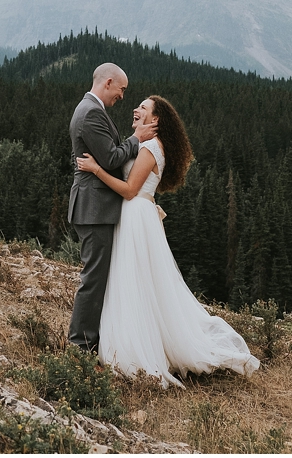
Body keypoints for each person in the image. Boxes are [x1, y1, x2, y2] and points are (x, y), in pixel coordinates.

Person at [76, 95, 259, 388]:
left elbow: (128, 189)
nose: (135, 109)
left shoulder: (150, 147)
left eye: (143, 108)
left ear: (156, 119)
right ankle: (129, 343)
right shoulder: (146, 144)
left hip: (135, 215)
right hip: (137, 215)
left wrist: (96, 170)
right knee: (135, 282)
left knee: (134, 282)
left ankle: (135, 351)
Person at [67, 63, 157, 353]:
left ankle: (92, 339)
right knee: (94, 277)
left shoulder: (90, 109)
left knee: (99, 275)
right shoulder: (91, 112)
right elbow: (110, 158)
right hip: (94, 207)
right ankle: (80, 345)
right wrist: (136, 139)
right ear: (108, 83)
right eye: (122, 90)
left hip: (97, 206)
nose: (122, 96)